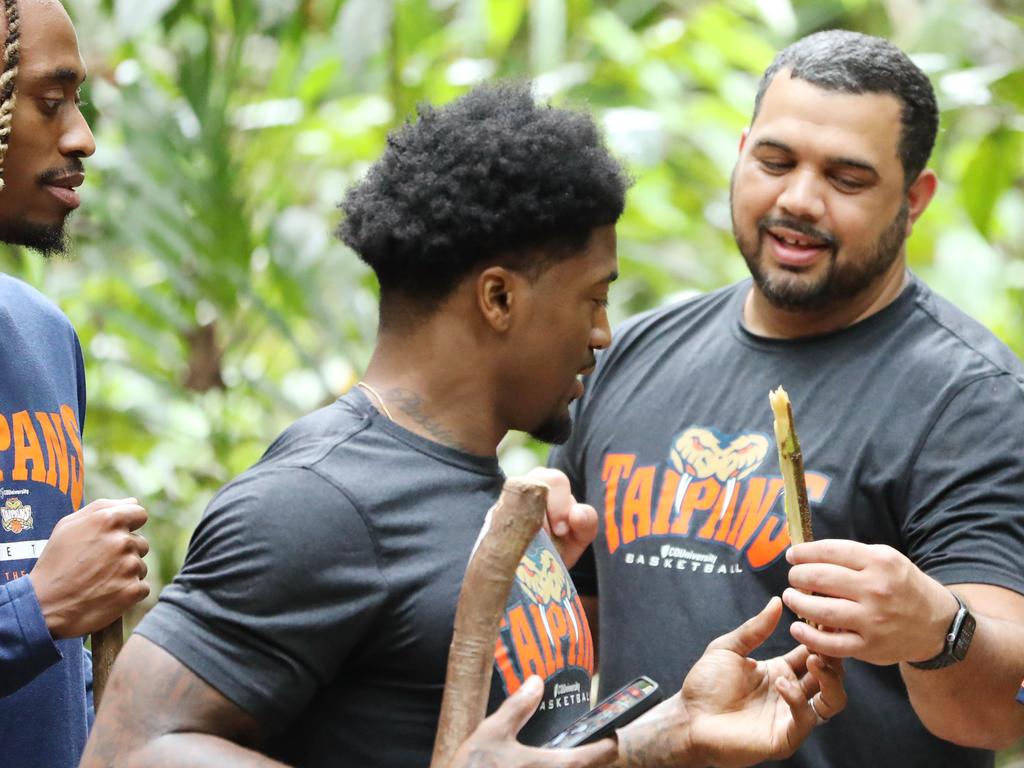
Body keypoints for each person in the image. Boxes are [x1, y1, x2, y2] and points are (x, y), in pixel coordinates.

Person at [82, 82, 844, 768]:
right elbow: (130, 749)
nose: (603, 334)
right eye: (592, 297)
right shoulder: (318, 501)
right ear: (499, 299)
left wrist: (677, 729)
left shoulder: (494, 496)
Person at [549, 28, 1024, 767]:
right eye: (775, 162)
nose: (798, 200)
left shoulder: (970, 401)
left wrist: (940, 628)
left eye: (848, 179)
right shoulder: (631, 353)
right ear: (741, 153)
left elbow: (999, 714)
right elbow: (573, 631)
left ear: (916, 199)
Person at [0, 1, 151, 766]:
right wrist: (36, 612)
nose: (81, 137)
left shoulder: (44, 334)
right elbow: (44, 606)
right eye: (50, 102)